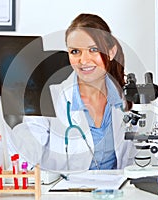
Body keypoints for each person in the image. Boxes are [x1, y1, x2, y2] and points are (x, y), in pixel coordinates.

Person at [7, 13, 137, 172]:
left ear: (111, 52)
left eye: (93, 50)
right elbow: (23, 154)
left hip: (116, 194)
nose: (83, 60)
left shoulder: (126, 101)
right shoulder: (49, 99)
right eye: (75, 52)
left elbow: (138, 158)